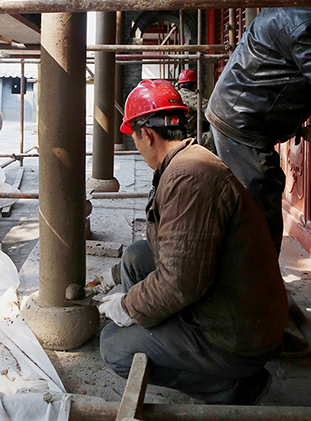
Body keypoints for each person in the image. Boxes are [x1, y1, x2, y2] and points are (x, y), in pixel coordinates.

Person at [98, 79, 287, 405]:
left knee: (113, 345)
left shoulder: (189, 180)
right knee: (136, 257)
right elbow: (170, 249)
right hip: (235, 303)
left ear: (147, 135)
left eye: (134, 137)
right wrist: (114, 276)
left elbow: (180, 282)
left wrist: (127, 306)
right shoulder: (189, 159)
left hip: (236, 337)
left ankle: (233, 388)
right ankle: (164, 330)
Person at [206, 0, 311, 254]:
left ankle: (241, 269)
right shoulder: (302, 18)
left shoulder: (298, 2)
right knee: (260, 204)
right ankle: (258, 278)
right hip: (241, 120)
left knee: (246, 201)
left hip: (240, 112)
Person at [177, 68, 214, 151]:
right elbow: (211, 107)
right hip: (188, 138)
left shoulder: (176, 94)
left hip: (175, 136)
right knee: (214, 136)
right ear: (195, 85)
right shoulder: (192, 97)